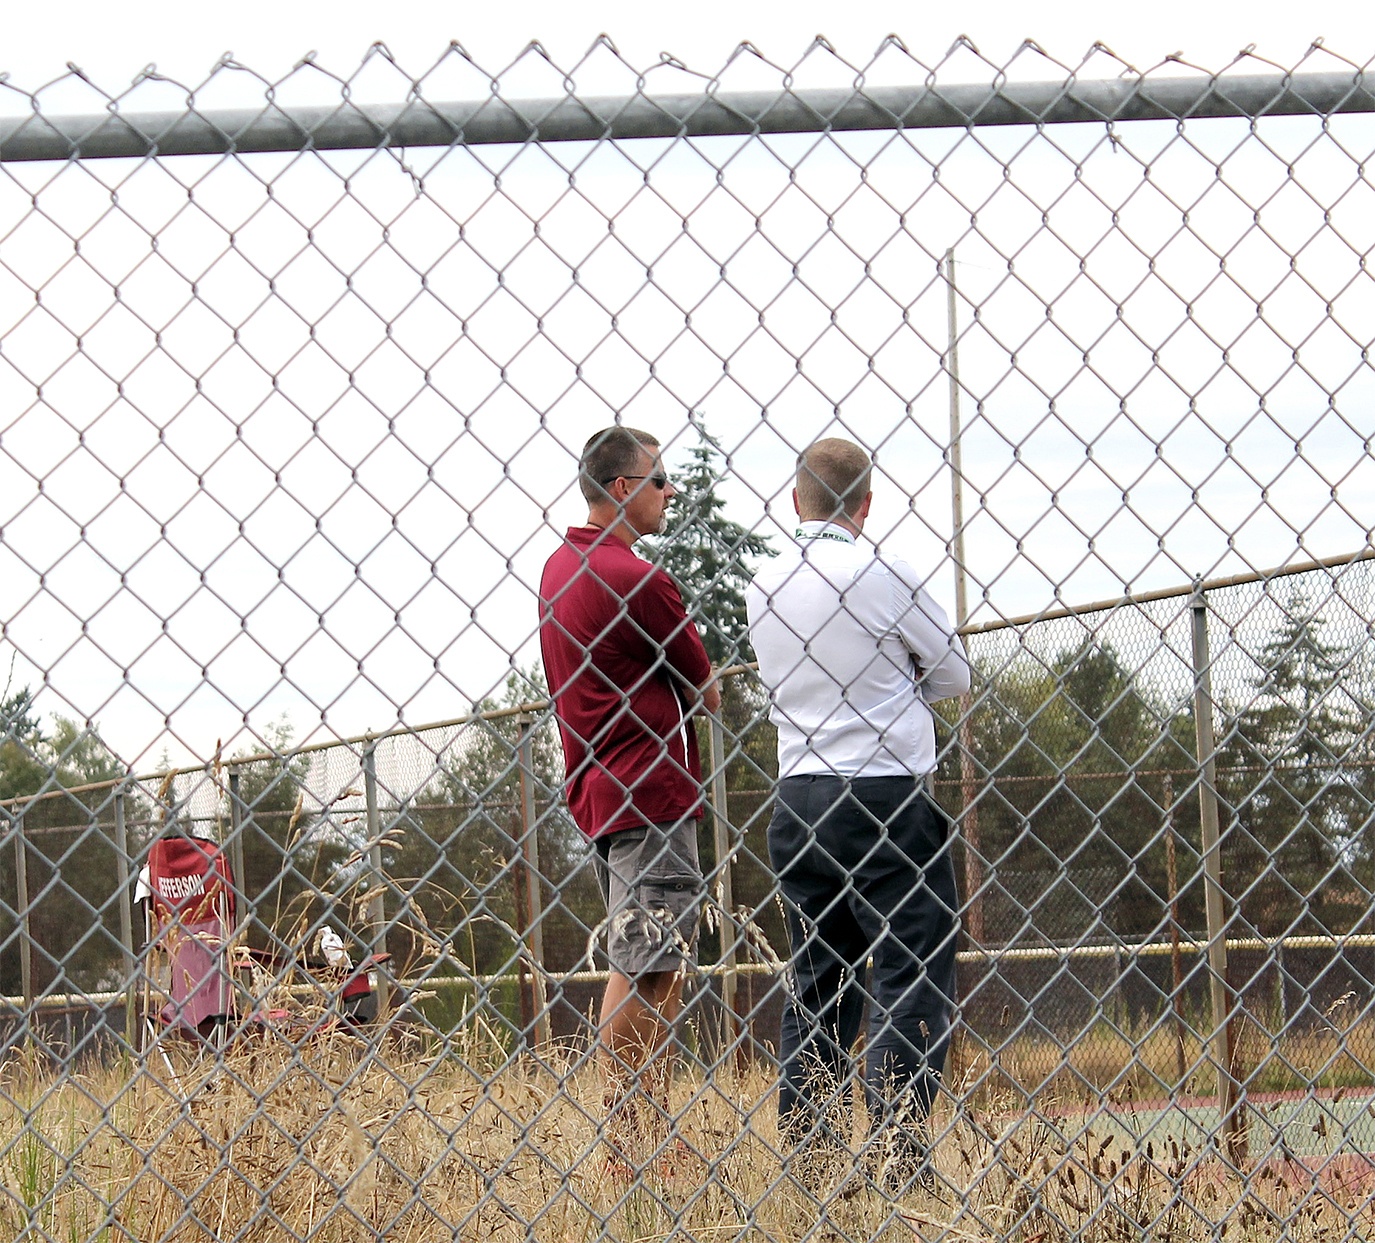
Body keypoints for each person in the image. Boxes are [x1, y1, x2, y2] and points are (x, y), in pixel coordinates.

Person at [745, 437, 971, 1193]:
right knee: (909, 968)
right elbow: (952, 672)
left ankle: (810, 1160)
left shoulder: (764, 583)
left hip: (798, 795)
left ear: (794, 500)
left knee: (817, 978)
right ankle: (899, 1157)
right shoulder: (883, 571)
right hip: (882, 796)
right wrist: (896, 683)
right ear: (866, 504)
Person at [539, 425, 720, 1168]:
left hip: (600, 787)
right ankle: (629, 1140)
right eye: (658, 480)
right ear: (622, 488)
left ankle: (645, 1129)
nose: (669, 492)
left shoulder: (560, 567)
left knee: (650, 958)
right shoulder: (636, 578)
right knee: (645, 963)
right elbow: (705, 688)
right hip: (650, 789)